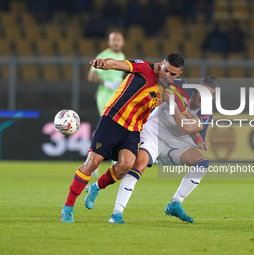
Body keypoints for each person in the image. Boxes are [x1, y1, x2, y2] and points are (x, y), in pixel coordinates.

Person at [61, 53, 185, 223]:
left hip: (133, 129)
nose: (167, 75)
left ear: (179, 75)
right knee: (93, 162)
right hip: (113, 118)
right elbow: (116, 64)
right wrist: (103, 63)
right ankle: (68, 207)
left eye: (173, 74)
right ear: (161, 64)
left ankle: (95, 189)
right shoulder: (144, 68)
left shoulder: (168, 91)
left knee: (126, 165)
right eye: (166, 70)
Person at [86, 76, 218, 223]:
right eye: (202, 90)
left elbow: (186, 127)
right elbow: (159, 79)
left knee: (202, 163)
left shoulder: (206, 113)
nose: (202, 95)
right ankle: (116, 213)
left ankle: (175, 203)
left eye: (208, 93)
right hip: (152, 133)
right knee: (138, 165)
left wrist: (198, 138)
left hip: (174, 144)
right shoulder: (180, 87)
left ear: (213, 97)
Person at [87, 31, 126, 178]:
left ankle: (114, 161)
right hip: (104, 96)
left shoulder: (121, 57)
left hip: (117, 97)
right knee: (107, 126)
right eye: (113, 40)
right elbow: (91, 75)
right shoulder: (102, 55)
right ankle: (92, 161)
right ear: (109, 42)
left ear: (123, 42)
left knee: (116, 127)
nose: (116, 42)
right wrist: (107, 83)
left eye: (118, 39)